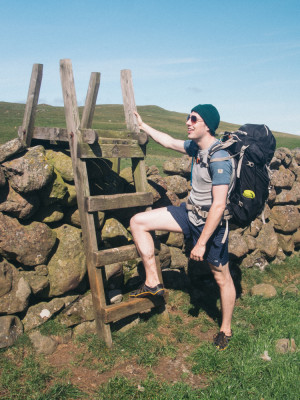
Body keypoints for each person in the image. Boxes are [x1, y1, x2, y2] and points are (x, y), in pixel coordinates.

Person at [129, 104, 236, 350]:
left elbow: (218, 206)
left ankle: (225, 329)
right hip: (189, 214)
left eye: (194, 119)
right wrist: (143, 125)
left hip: (212, 224)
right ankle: (153, 283)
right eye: (188, 117)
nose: (188, 122)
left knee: (222, 277)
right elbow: (167, 142)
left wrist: (200, 243)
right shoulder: (195, 148)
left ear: (207, 125)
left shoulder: (219, 157)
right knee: (138, 222)